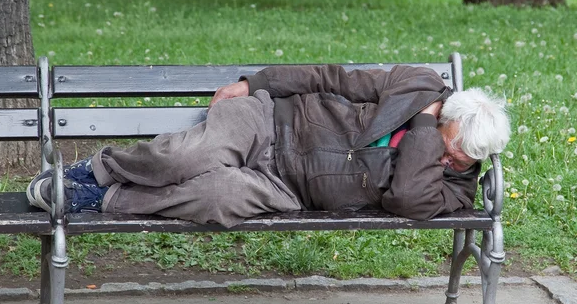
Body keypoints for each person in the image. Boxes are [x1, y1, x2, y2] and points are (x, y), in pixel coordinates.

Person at [26, 64, 511, 227]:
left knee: (217, 197)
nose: (447, 162)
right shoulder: (416, 84)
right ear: (451, 114)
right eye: (451, 147)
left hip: (286, 189)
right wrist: (253, 82)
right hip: (271, 123)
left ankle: (103, 200)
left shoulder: (455, 192)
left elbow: (406, 196)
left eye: (457, 161)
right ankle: (101, 170)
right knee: (187, 155)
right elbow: (330, 76)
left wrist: (427, 132)